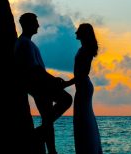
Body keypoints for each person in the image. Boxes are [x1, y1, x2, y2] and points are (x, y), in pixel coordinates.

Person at [15, 12, 72, 154]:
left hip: (39, 85)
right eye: (35, 22)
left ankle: (51, 150)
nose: (38, 25)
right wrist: (53, 79)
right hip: (39, 86)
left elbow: (36, 69)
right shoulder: (25, 43)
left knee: (48, 118)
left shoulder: (27, 43)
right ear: (28, 24)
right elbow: (34, 69)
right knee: (66, 99)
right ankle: (37, 136)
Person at [63, 23, 103, 154]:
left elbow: (83, 73)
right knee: (84, 118)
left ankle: (88, 149)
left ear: (84, 33)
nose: (75, 32)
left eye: (78, 31)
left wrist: (67, 83)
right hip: (83, 86)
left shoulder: (85, 50)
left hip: (84, 87)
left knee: (83, 119)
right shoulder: (85, 49)